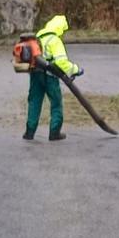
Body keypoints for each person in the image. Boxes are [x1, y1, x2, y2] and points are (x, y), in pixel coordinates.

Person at [23, 14, 83, 142]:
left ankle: (29, 132)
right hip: (50, 76)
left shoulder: (38, 37)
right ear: (60, 28)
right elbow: (62, 62)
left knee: (34, 102)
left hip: (35, 75)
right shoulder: (54, 40)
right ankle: (54, 133)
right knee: (56, 103)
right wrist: (76, 69)